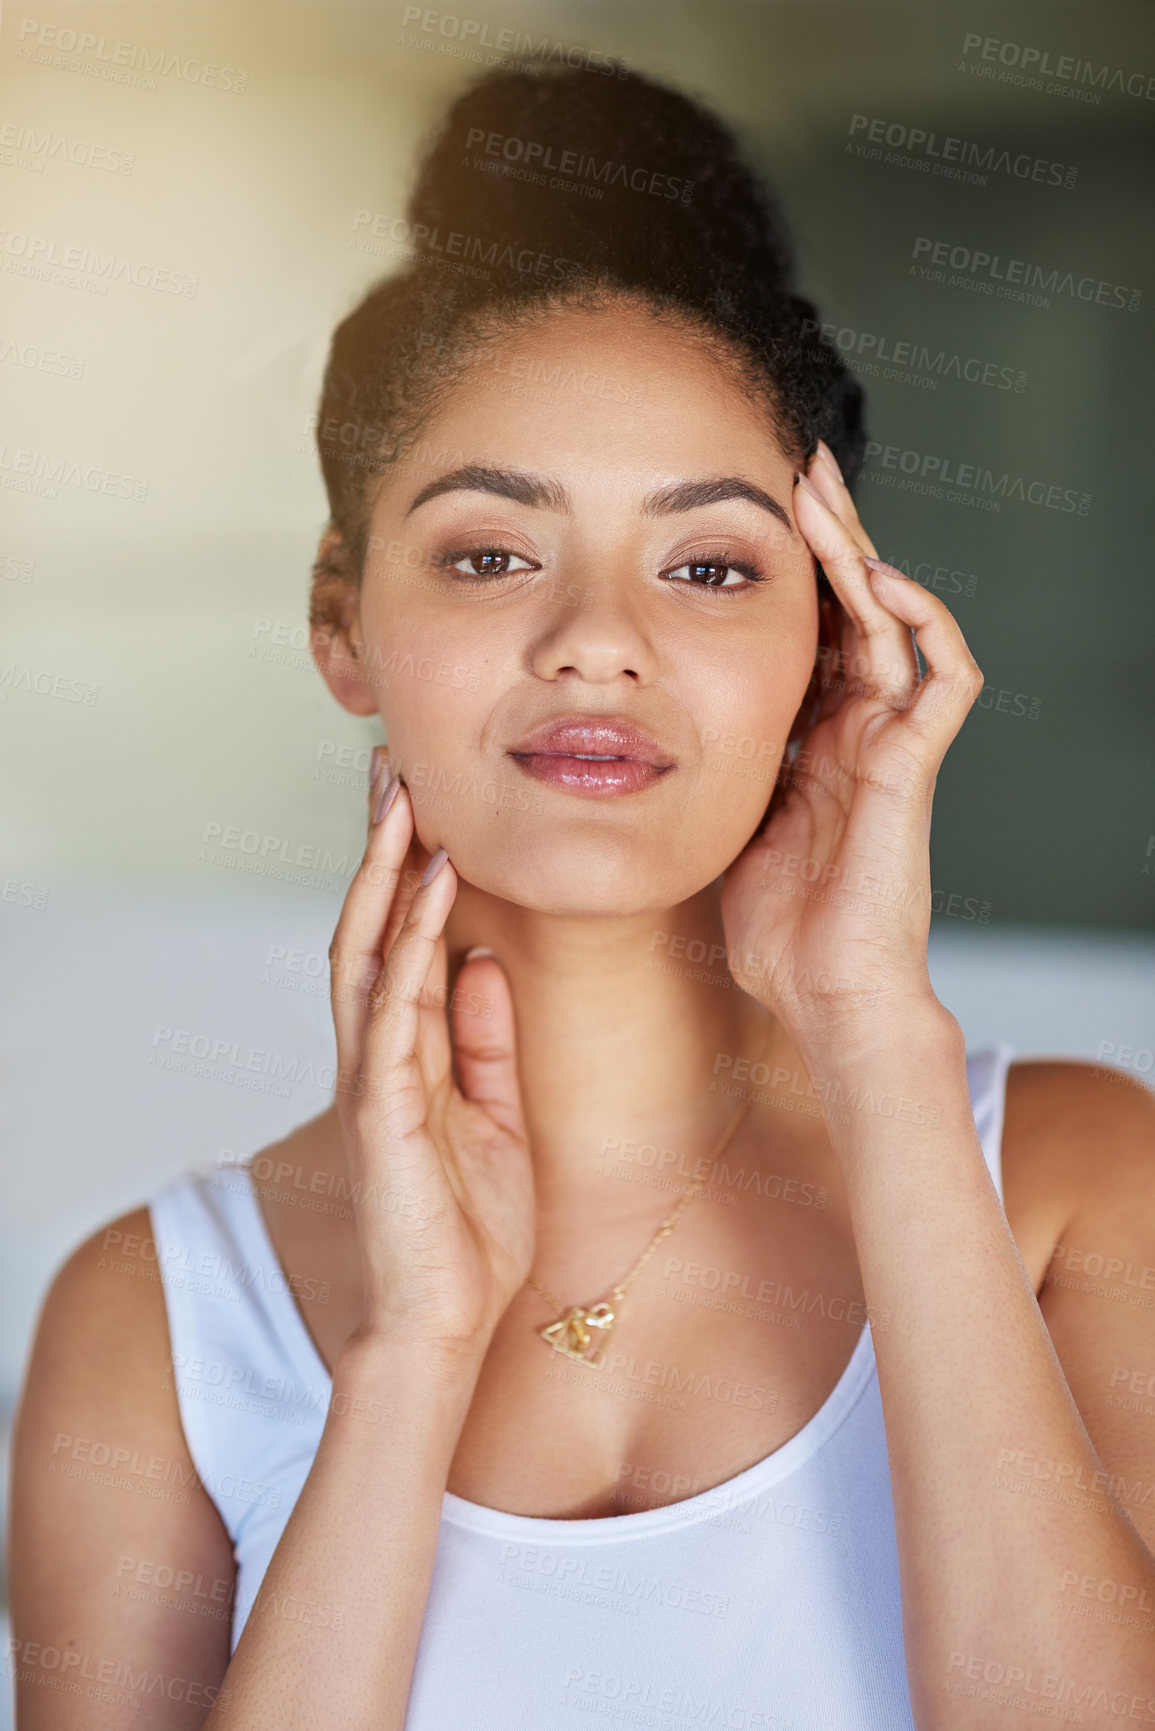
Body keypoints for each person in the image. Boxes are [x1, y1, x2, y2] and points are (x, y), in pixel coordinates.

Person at [10, 62, 1155, 1731]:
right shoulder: (161, 1319)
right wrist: (409, 1360)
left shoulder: (1077, 1188)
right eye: (490, 553)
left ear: (834, 644)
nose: (597, 638)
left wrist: (879, 1045)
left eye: (710, 566)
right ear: (343, 625)